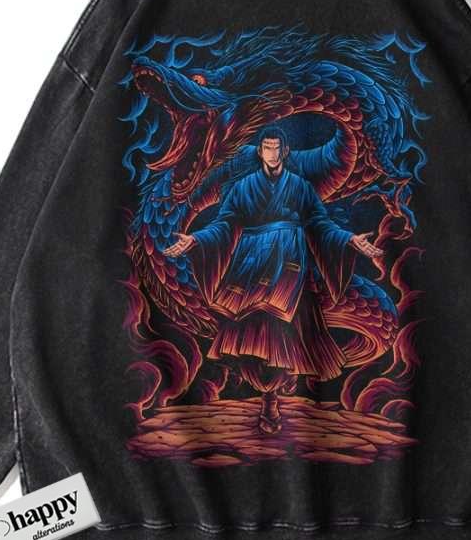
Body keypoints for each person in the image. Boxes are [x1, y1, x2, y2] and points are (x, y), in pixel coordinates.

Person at [164, 125, 382, 433]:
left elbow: (320, 223)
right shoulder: (243, 187)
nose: (272, 153)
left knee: (290, 334)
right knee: (250, 333)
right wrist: (196, 239)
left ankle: (274, 399)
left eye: (277, 147)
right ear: (260, 151)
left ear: (285, 150)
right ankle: (264, 393)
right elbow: (224, 223)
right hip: (252, 263)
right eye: (267, 147)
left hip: (290, 264)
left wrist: (349, 239)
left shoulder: (300, 186)